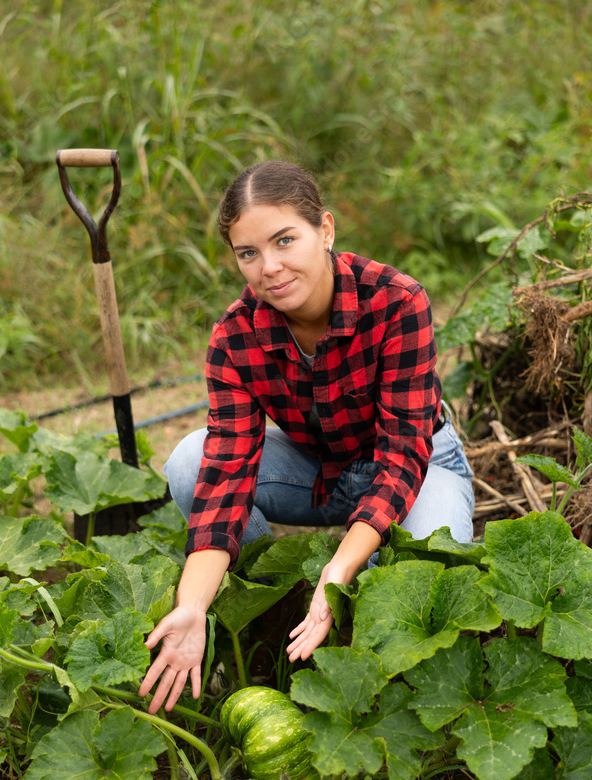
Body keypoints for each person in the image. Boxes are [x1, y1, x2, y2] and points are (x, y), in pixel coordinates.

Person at [139, 160, 474, 714]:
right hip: (321, 470)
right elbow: (224, 479)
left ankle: (373, 660)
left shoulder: (396, 300)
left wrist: (337, 571)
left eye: (285, 240)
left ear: (326, 229)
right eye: (248, 253)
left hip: (417, 466)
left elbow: (401, 455)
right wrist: (192, 604)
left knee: (429, 551)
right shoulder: (235, 337)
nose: (269, 267)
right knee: (189, 461)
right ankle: (272, 624)